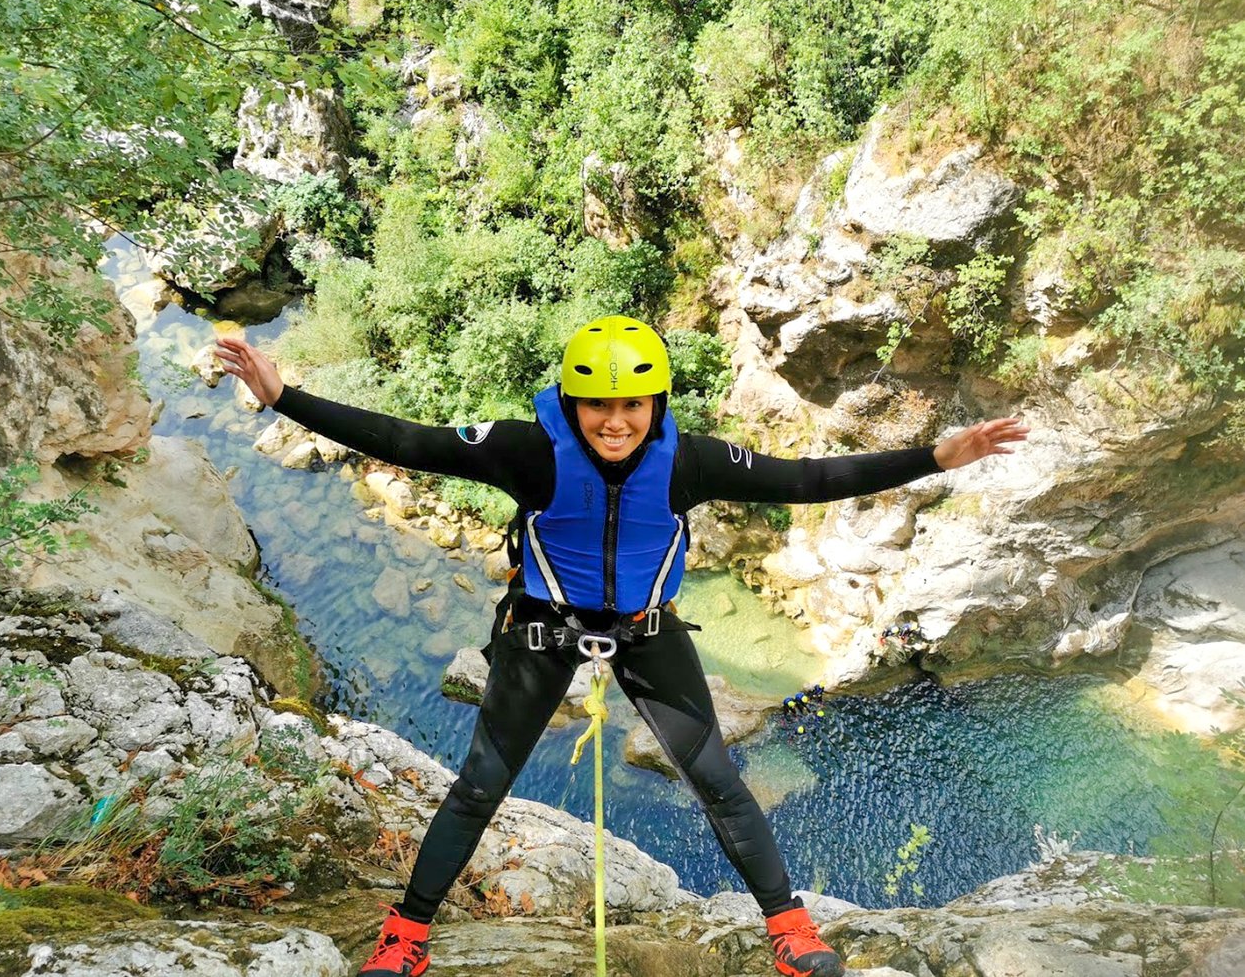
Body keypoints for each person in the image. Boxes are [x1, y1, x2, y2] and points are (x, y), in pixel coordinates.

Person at [214, 316, 1028, 977]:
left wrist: (934, 458)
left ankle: (790, 931)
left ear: (658, 404)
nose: (615, 422)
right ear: (569, 406)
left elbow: (807, 479)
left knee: (720, 782)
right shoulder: (526, 449)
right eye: (598, 407)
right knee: (479, 787)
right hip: (542, 631)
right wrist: (283, 395)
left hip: (646, 634)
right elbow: (407, 440)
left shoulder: (691, 461)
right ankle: (405, 935)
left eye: (634, 406)